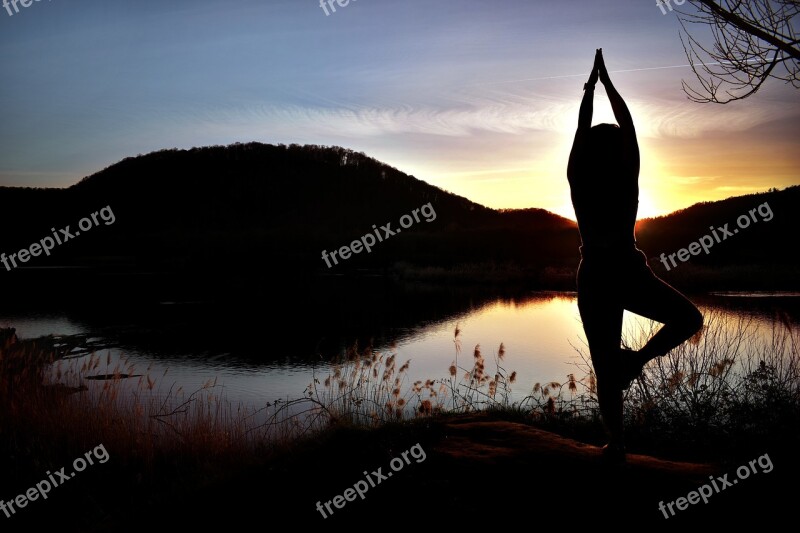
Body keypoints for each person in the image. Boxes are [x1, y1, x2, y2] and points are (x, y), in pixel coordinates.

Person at [567, 49, 703, 463]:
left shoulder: (579, 176)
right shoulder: (624, 175)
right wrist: (608, 87)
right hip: (620, 270)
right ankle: (623, 416)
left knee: (606, 362)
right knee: (686, 320)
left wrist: (590, 91)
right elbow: (627, 127)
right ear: (618, 151)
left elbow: (583, 128)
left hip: (601, 272)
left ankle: (618, 439)